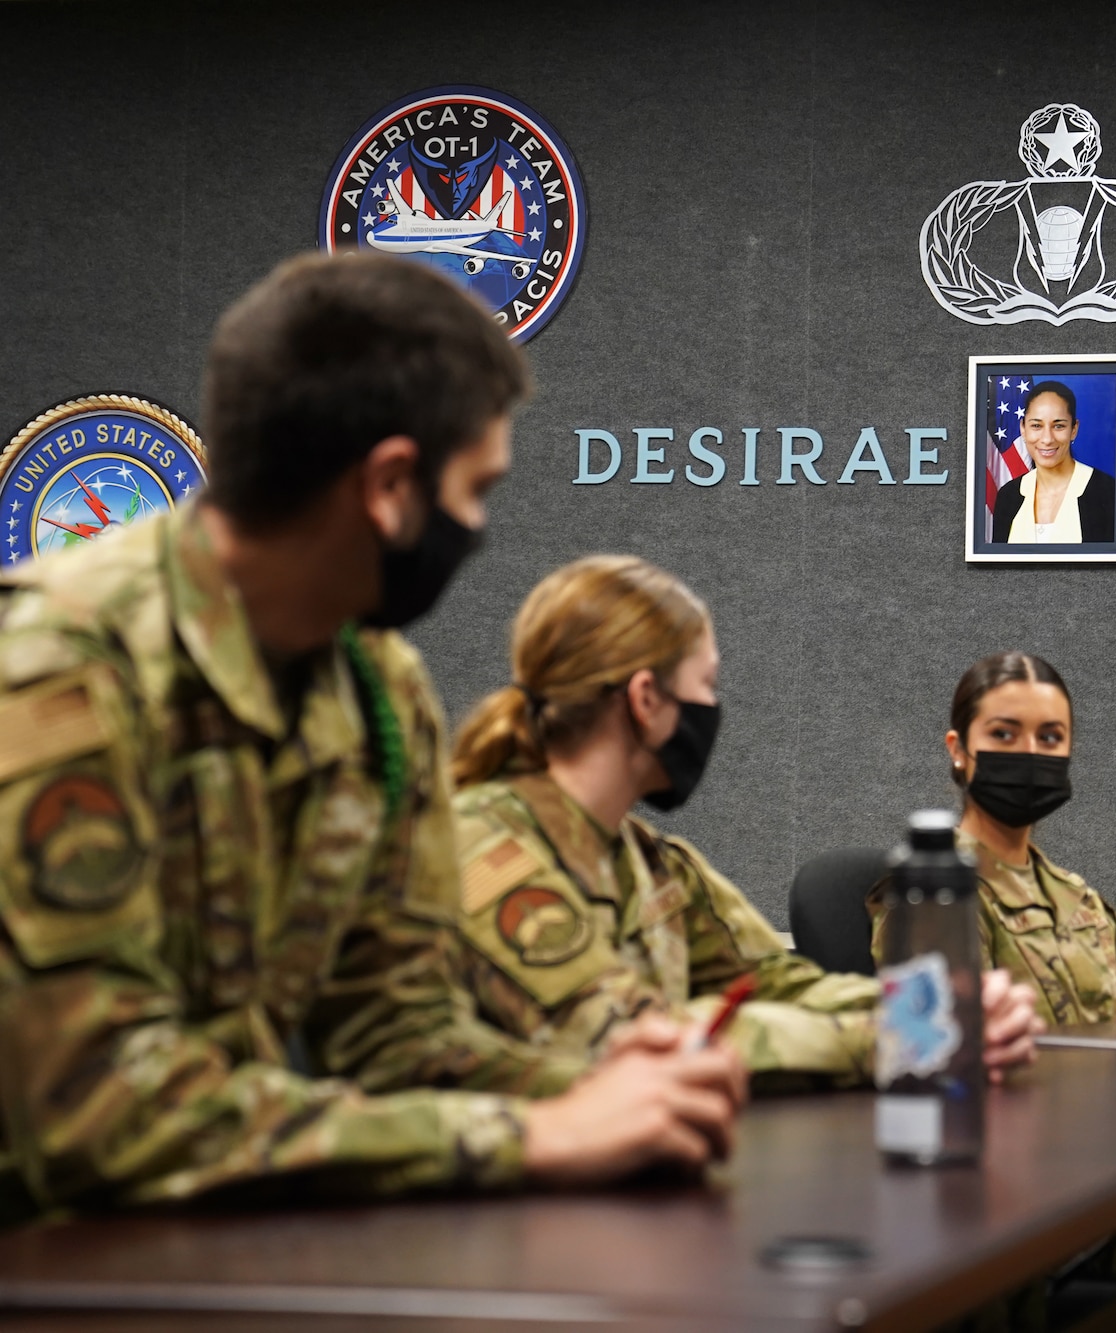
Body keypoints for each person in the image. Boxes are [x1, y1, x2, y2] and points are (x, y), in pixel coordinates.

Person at [0, 254, 744, 1226]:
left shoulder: (378, 687)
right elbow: (96, 1112)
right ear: (392, 484)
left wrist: (587, 1082)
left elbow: (397, 1031)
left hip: (227, 1238)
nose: (476, 528)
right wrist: (533, 1134)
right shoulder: (65, 665)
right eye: (476, 489)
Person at [448, 556, 1042, 1088]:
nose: (714, 708)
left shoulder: (653, 861)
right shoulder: (485, 848)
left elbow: (774, 983)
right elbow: (624, 1040)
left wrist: (940, 1008)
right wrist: (912, 1039)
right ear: (645, 700)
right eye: (705, 685)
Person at [871, 651, 1116, 1027]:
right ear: (958, 749)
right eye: (1003, 734)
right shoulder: (934, 897)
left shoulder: (1085, 902)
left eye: (1049, 737)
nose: (1029, 752)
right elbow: (948, 1042)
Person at [991, 382, 1115, 544]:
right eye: (1036, 425)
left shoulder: (1108, 492)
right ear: (1023, 428)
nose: (1047, 439)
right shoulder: (1008, 496)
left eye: (1058, 426)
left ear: (1074, 429)